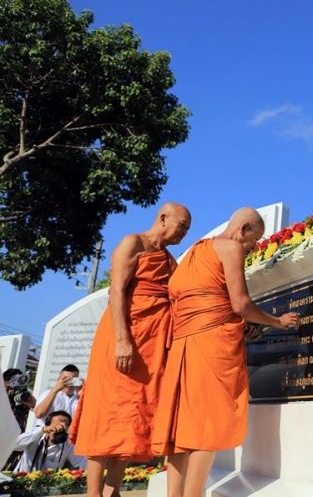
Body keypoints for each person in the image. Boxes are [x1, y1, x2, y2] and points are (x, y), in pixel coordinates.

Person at [151, 207, 299, 497]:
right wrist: (277, 321)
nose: (251, 248)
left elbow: (200, 301)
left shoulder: (194, 253)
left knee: (182, 429)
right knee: (209, 424)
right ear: (243, 228)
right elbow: (240, 304)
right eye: (253, 241)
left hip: (183, 348)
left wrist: (238, 323)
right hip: (212, 346)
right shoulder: (230, 248)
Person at [69, 202, 192, 497]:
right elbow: (117, 292)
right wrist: (123, 341)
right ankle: (93, 493)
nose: (184, 234)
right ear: (163, 218)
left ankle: (114, 489)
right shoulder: (132, 243)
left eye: (187, 229)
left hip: (150, 345)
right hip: (121, 337)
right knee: (106, 412)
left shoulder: (168, 260)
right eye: (182, 226)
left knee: (131, 414)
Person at [13, 411, 85, 473]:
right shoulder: (35, 435)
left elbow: (83, 462)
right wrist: (43, 430)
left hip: (47, 486)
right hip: (22, 480)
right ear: (47, 426)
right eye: (57, 425)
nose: (61, 428)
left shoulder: (68, 446)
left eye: (66, 425)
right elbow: (15, 445)